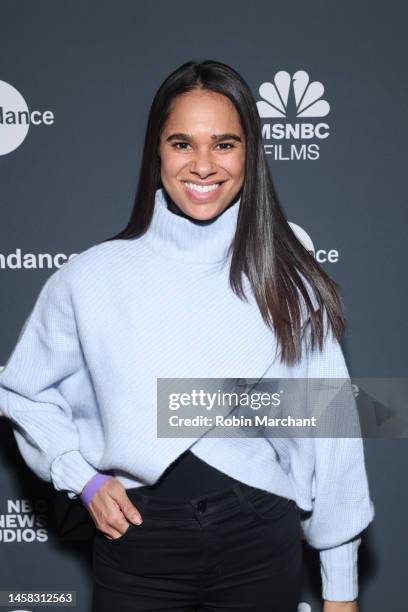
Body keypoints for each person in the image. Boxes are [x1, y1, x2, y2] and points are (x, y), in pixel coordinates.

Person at [0, 59, 374, 612]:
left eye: (224, 144)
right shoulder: (94, 274)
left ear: (251, 153)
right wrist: (80, 479)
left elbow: (328, 422)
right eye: (182, 143)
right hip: (136, 542)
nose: (203, 164)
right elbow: (20, 391)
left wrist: (340, 587)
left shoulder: (285, 262)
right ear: (158, 151)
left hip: (261, 535)